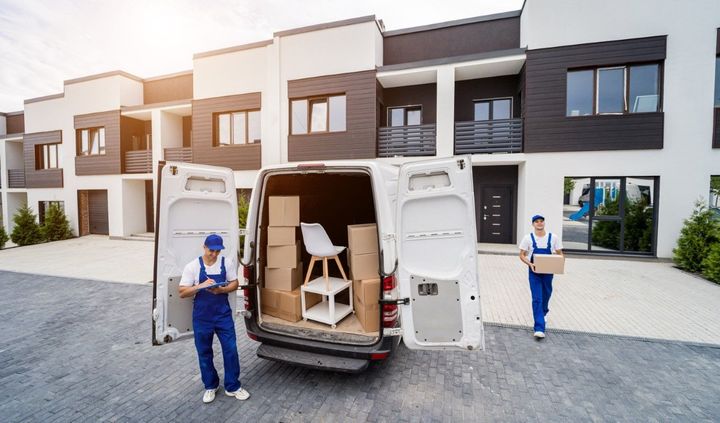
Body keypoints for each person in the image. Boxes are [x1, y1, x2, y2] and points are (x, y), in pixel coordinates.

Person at [179, 234, 250, 403]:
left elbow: (235, 282)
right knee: (204, 352)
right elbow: (182, 291)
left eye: (217, 251)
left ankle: (233, 386)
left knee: (231, 350)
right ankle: (211, 386)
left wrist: (222, 290)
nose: (214, 254)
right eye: (211, 250)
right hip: (202, 317)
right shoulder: (193, 266)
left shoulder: (227, 263)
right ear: (204, 247)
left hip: (223, 315)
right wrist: (201, 286)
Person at [518, 215, 563, 339]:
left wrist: (558, 265)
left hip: (548, 272)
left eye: (541, 221)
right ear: (533, 224)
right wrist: (530, 264)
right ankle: (539, 327)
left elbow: (560, 254)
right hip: (534, 272)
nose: (539, 223)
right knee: (537, 298)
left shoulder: (553, 237)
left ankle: (543, 312)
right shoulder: (528, 238)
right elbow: (521, 255)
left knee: (547, 294)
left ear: (544, 223)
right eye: (536, 222)